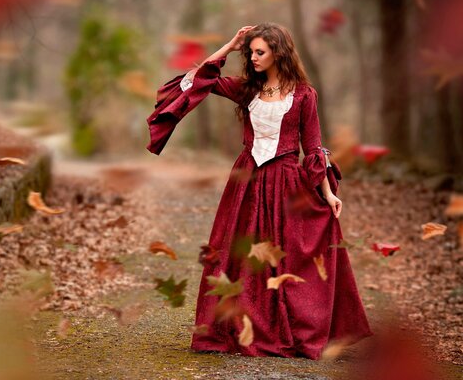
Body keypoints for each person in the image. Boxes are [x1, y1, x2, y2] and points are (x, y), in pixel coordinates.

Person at [146, 23, 373, 360]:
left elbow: (313, 148)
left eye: (259, 52)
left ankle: (286, 329)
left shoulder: (304, 95)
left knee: (286, 254)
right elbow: (198, 79)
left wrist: (328, 192)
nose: (251, 58)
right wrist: (229, 44)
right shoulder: (246, 90)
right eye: (249, 52)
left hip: (285, 180)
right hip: (246, 179)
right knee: (238, 253)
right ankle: (236, 326)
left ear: (278, 53)